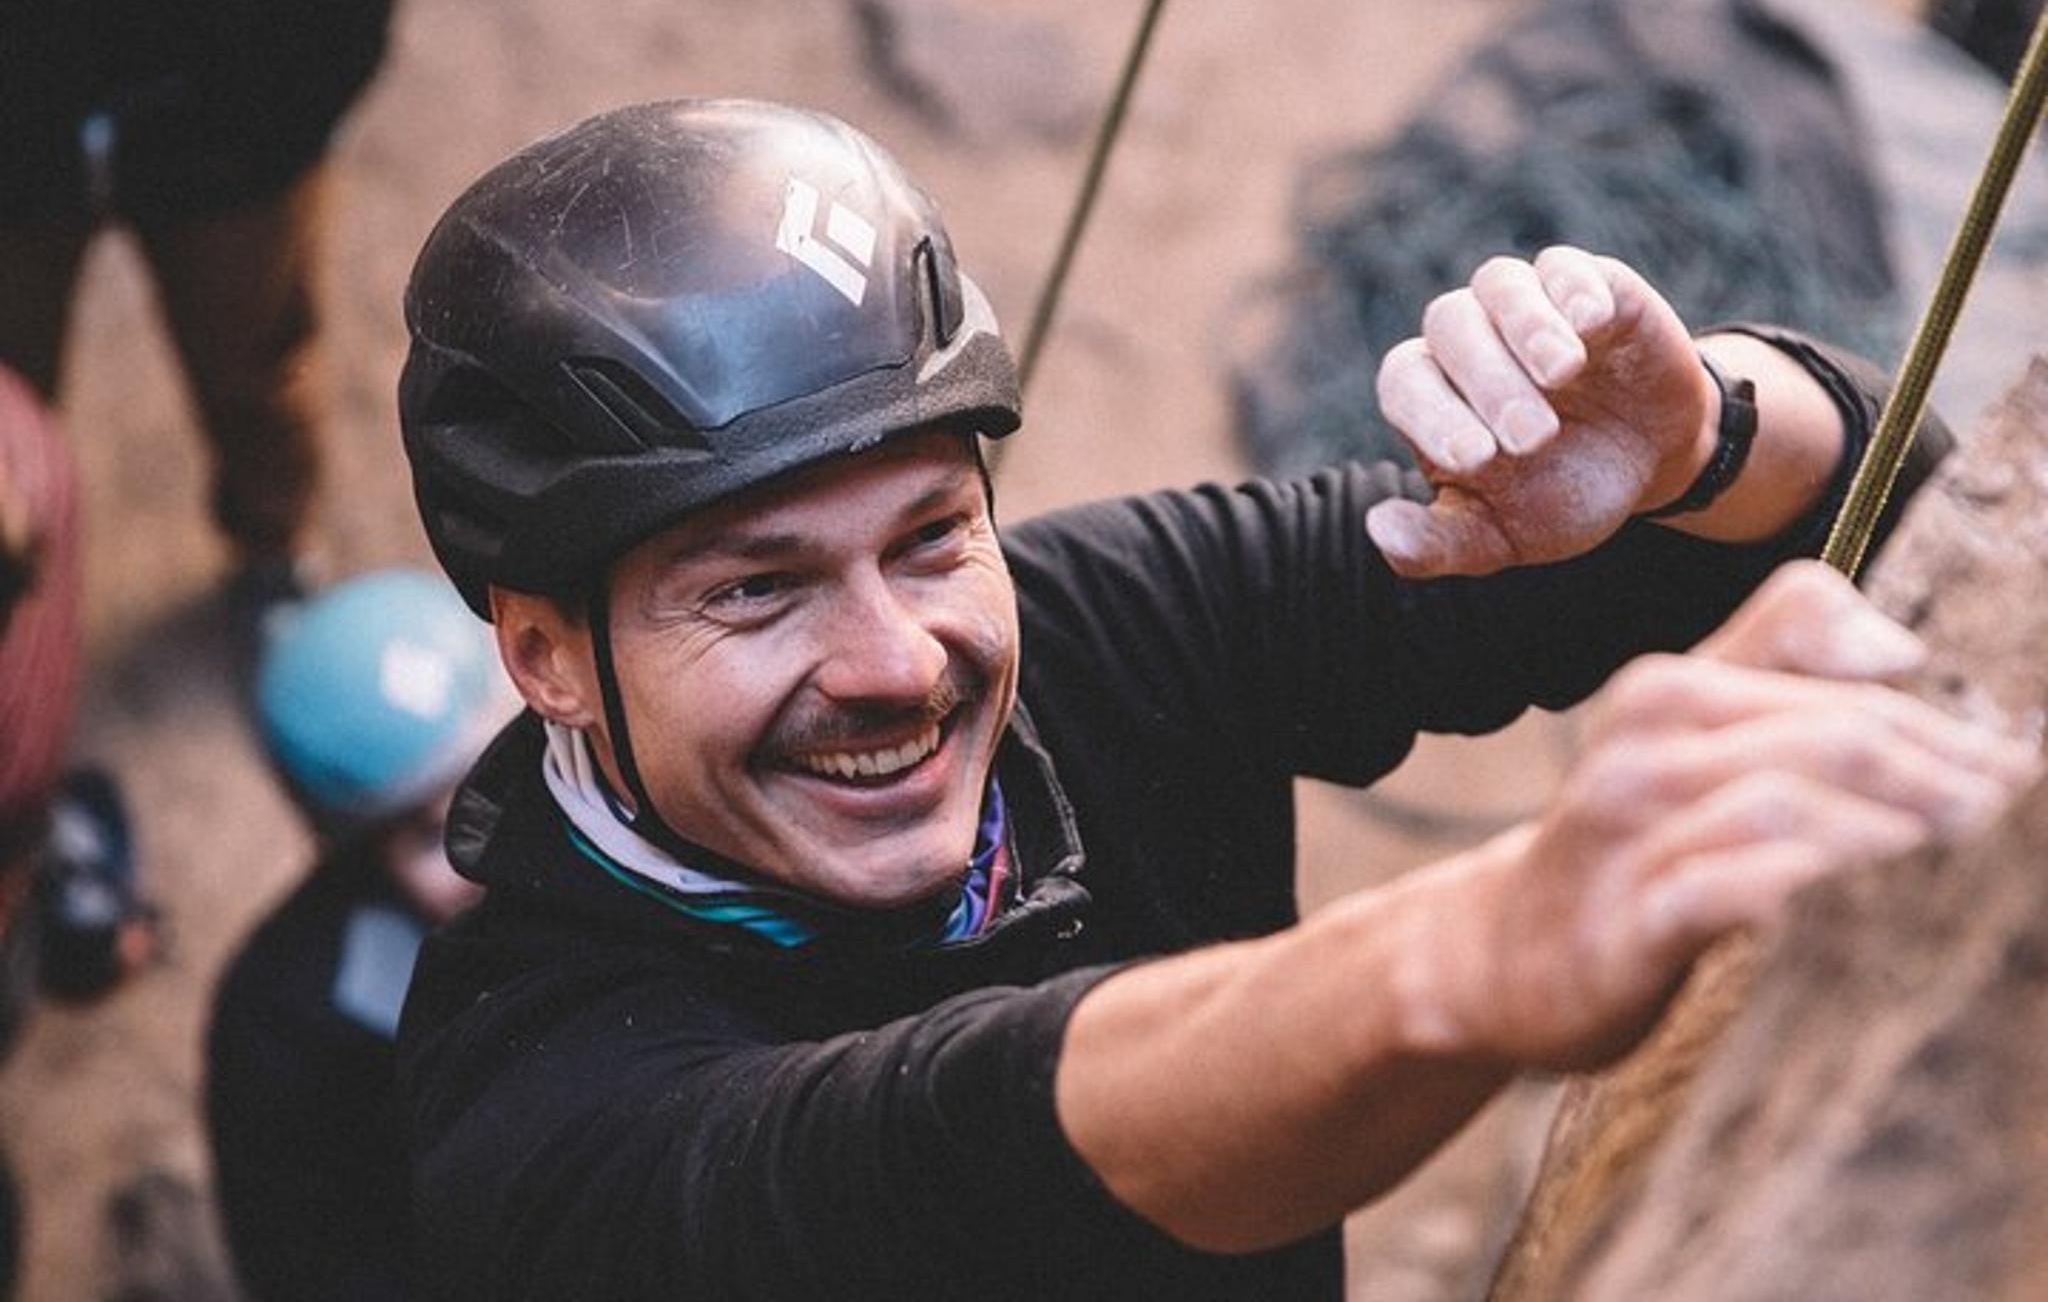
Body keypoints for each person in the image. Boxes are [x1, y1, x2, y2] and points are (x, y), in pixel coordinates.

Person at [391, 100, 2033, 1300]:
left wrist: (1696, 443)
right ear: (544, 655)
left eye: (932, 536)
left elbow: (1859, 519)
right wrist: (1472, 950)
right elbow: (940, 1148)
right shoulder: (536, 1109)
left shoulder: (1108, 623)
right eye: (756, 589)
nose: (896, 663)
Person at [0, 0, 394, 598]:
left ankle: (273, 553)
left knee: (256, 363)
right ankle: (18, 594)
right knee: (8, 405)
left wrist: (320, 61)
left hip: (240, 86)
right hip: (18, 107)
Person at [206, 569, 508, 1301]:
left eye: (506, 780)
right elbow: (305, 1259)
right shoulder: (284, 1024)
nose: (496, 849)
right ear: (353, 853)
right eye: (434, 833)